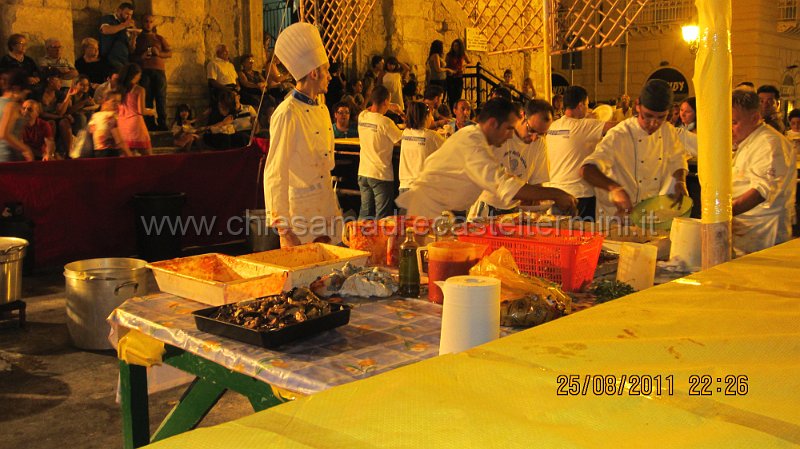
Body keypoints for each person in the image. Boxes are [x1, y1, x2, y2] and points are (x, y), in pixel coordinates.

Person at [395, 98, 577, 219]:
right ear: (492, 124)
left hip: (446, 212)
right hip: (425, 212)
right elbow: (505, 185)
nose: (509, 136)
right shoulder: (473, 143)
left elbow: (528, 185)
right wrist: (556, 194)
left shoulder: (486, 140)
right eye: (508, 130)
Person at [264, 22, 342, 247]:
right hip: (300, 214)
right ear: (314, 72)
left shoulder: (323, 107)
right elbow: (275, 171)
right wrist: (283, 226)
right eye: (326, 70)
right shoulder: (287, 113)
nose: (329, 76)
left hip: (325, 204)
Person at [580, 79, 689, 222]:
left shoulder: (667, 131)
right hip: (616, 220)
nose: (653, 124)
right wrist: (615, 189)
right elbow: (587, 170)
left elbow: (677, 158)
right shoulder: (619, 134)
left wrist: (680, 181)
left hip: (649, 217)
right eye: (648, 116)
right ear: (637, 106)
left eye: (660, 118)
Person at [730, 89, 796, 256]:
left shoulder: (769, 144)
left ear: (754, 118)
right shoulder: (746, 140)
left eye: (734, 122)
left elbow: (760, 192)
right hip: (741, 233)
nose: (729, 128)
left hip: (763, 236)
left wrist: (721, 213)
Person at [472, 100, 558, 218]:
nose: (534, 138)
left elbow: (537, 182)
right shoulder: (499, 134)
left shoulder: (540, 144)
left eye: (541, 134)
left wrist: (533, 200)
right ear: (522, 116)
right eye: (531, 130)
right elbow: (496, 181)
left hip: (515, 211)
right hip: (488, 206)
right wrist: (556, 194)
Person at [545, 86, 617, 219]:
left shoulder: (553, 126)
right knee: (581, 237)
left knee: (559, 236)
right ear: (580, 105)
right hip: (580, 195)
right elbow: (616, 127)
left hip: (555, 194)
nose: (588, 108)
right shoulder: (586, 125)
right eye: (587, 105)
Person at [357, 85, 404, 219]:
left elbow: (368, 109)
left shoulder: (363, 116)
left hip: (363, 172)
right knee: (382, 219)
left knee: (365, 216)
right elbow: (402, 141)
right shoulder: (386, 122)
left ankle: (358, 238)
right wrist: (399, 112)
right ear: (385, 102)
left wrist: (387, 106)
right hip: (381, 175)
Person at [133, 14, 172, 130]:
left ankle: (162, 123)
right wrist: (141, 57)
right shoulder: (137, 38)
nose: (148, 24)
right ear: (142, 22)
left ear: (153, 23)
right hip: (144, 71)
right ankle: (149, 124)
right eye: (146, 21)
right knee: (147, 97)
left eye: (151, 22)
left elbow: (169, 53)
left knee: (161, 97)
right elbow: (131, 56)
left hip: (159, 71)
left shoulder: (159, 38)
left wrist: (159, 54)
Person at [399, 101, 445, 194]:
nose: (432, 119)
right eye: (431, 116)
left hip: (404, 187)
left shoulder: (406, 132)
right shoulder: (432, 136)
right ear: (426, 117)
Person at [116, 63, 153, 155]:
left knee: (127, 156)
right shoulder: (139, 90)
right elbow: (141, 111)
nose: (139, 78)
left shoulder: (118, 89)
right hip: (135, 124)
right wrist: (151, 112)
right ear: (134, 75)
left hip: (122, 124)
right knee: (148, 156)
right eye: (139, 75)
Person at [0, 70, 34, 162]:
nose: (24, 97)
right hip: (7, 156)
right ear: (16, 88)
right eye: (24, 92)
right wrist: (26, 149)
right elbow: (4, 133)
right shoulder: (12, 105)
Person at [88, 90, 132, 157]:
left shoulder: (95, 116)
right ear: (105, 101)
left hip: (97, 153)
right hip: (110, 154)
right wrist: (131, 156)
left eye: (119, 102)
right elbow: (120, 141)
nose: (117, 105)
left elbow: (91, 133)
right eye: (114, 101)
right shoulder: (111, 117)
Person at [99, 2, 138, 71]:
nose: (129, 17)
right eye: (127, 14)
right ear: (119, 11)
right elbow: (105, 30)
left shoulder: (128, 26)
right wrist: (124, 25)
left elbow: (131, 50)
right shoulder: (108, 18)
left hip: (125, 59)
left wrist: (134, 36)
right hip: (111, 58)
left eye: (131, 15)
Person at [444, 39, 470, 110]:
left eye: (457, 46)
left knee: (458, 96)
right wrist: (449, 70)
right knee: (451, 97)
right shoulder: (449, 55)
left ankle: (457, 112)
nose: (455, 47)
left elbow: (470, 62)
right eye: (454, 46)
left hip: (459, 77)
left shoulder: (462, 54)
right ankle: (452, 112)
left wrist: (464, 66)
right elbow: (445, 65)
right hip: (451, 78)